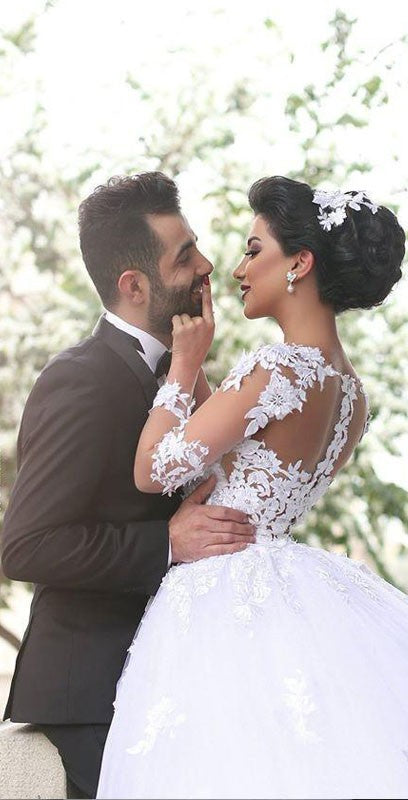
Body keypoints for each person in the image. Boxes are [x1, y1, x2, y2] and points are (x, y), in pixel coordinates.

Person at [95, 175, 408, 799]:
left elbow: (156, 470)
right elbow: (243, 466)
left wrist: (185, 364)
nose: (235, 270)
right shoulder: (351, 394)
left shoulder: (276, 367)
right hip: (288, 581)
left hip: (224, 593)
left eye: (254, 250)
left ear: (299, 263)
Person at [0, 172, 256, 799]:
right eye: (184, 256)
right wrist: (166, 542)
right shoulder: (79, 380)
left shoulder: (181, 370)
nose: (207, 267)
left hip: (168, 679)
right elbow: (25, 546)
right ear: (134, 285)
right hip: (94, 696)